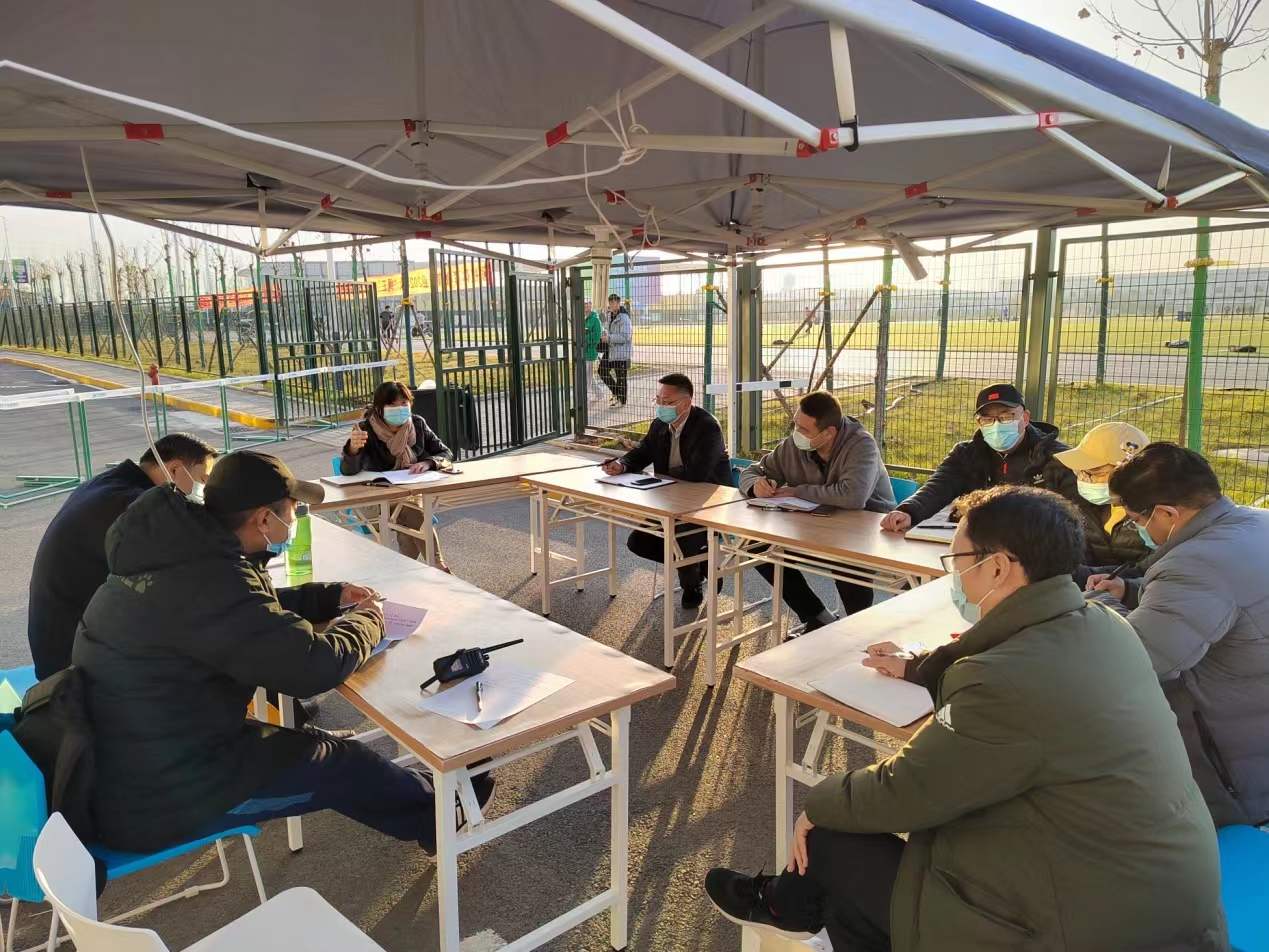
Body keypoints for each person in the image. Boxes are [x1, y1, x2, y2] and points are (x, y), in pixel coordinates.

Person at [706, 486, 1226, 952]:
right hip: (1146, 896)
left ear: (998, 568)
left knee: (831, 838)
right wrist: (919, 667)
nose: (953, 574)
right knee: (858, 884)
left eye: (956, 558)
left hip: (1078, 924)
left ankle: (786, 906)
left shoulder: (1004, 682)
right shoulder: (1103, 625)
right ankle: (798, 906)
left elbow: (906, 792)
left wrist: (818, 804)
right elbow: (1001, 679)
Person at [71, 450, 492, 855]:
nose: (294, 520)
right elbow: (313, 666)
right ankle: (437, 820)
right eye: (293, 511)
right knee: (339, 763)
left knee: (313, 744)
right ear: (263, 518)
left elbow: (245, 612)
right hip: (159, 798)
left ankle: (417, 793)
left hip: (134, 757)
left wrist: (329, 597)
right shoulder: (212, 579)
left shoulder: (181, 554)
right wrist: (371, 620)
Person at [1088, 443, 1269, 827]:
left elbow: (1138, 660)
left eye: (1136, 519)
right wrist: (1131, 591)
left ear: (1168, 514)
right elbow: (1219, 604)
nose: (1137, 529)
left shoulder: (1196, 563)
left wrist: (1099, 604)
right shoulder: (1255, 523)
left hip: (1233, 765)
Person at [26, 433, 217, 679]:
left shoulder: (107, 484)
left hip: (58, 640)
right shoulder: (131, 505)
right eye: (202, 480)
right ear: (175, 470)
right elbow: (186, 560)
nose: (203, 491)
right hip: (71, 664)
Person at [739, 392, 895, 631]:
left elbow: (853, 496)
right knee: (758, 547)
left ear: (829, 432)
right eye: (795, 424)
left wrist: (797, 491)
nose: (796, 433)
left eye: (804, 429)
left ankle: (860, 634)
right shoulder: (793, 445)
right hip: (816, 524)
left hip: (867, 531)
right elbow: (752, 471)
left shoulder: (862, 445)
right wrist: (755, 485)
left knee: (847, 563)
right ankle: (817, 618)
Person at [601, 374, 729, 609]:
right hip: (669, 500)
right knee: (639, 542)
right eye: (658, 399)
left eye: (667, 402)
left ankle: (692, 584)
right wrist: (622, 464)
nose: (661, 406)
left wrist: (660, 478)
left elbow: (698, 473)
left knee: (680, 540)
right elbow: (643, 452)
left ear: (686, 402)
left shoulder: (707, 426)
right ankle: (702, 565)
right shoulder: (659, 424)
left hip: (707, 504)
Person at [879, 383, 1073, 534]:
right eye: (987, 419)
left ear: (1025, 417)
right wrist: (908, 511)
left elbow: (1075, 518)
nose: (997, 425)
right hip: (976, 543)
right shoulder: (966, 453)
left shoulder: (1059, 458)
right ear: (979, 422)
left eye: (1006, 416)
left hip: (1034, 549)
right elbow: (938, 486)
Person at [341, 380, 451, 567]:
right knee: (411, 512)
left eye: (404, 403)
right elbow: (348, 471)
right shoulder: (365, 430)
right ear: (379, 408)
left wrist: (428, 462)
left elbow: (445, 453)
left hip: (408, 494)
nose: (399, 408)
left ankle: (405, 570)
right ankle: (439, 567)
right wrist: (352, 449)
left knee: (409, 515)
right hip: (374, 499)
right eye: (392, 405)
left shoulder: (417, 424)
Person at [1051, 421, 1152, 582]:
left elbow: (1150, 570)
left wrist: (1083, 575)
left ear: (1127, 469)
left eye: (1095, 472)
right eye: (1080, 472)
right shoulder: (1090, 506)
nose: (1085, 479)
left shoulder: (1155, 516)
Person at [597, 293, 632, 407]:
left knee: (621, 377)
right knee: (602, 371)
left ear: (618, 303)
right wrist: (604, 334)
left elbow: (625, 337)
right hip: (610, 349)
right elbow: (607, 329)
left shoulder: (624, 318)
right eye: (610, 302)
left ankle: (622, 400)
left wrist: (609, 338)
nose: (612, 305)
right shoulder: (609, 315)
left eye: (614, 302)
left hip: (621, 351)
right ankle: (617, 393)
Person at [582, 300, 605, 404]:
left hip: (591, 352)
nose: (586, 306)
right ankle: (599, 394)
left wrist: (584, 338)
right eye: (584, 304)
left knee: (587, 377)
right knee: (589, 376)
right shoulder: (582, 318)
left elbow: (596, 337)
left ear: (591, 305)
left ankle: (585, 398)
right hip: (583, 351)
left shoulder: (595, 319)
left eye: (588, 304)